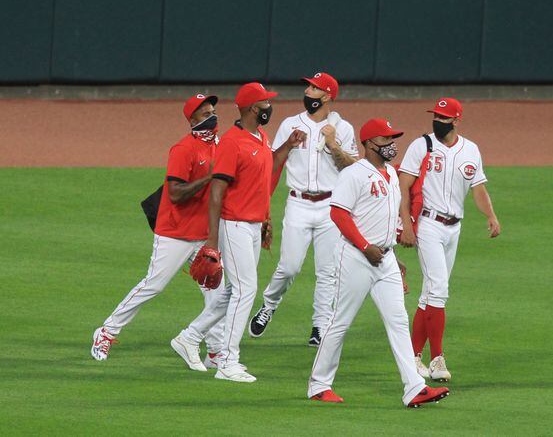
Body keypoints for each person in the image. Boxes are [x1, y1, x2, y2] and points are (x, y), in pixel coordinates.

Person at [308, 118, 449, 408]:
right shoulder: (354, 174)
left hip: (384, 259)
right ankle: (319, 385)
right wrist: (364, 246)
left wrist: (393, 258)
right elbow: (338, 214)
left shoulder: (391, 175)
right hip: (356, 257)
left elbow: (385, 221)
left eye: (392, 139)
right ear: (370, 143)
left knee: (398, 320)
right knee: (340, 322)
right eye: (385, 140)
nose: (391, 145)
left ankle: (414, 388)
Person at [171, 82, 302, 382]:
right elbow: (217, 192)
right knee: (246, 290)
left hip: (253, 225)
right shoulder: (232, 142)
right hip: (234, 225)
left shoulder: (259, 137)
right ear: (253, 109)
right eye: (265, 104)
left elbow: (262, 179)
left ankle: (189, 338)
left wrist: (266, 219)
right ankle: (227, 361)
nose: (269, 108)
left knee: (233, 291)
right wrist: (212, 242)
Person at [91, 94, 224, 366]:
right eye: (204, 113)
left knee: (216, 291)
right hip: (174, 232)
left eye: (213, 111)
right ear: (192, 120)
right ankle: (106, 331)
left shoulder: (220, 146)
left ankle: (214, 351)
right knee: (154, 285)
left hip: (203, 233)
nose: (212, 117)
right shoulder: (183, 149)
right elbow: (175, 194)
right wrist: (209, 176)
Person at [249, 72, 358, 347]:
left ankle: (319, 326)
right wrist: (288, 144)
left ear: (328, 96)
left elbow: (353, 168)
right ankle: (269, 305)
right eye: (308, 87)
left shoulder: (342, 128)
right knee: (288, 267)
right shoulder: (290, 124)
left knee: (328, 271)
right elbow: (271, 166)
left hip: (330, 205)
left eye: (314, 88)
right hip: (297, 203)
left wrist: (333, 144)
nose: (308, 92)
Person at [397, 98, 500, 382]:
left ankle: (414, 356)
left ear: (456, 121)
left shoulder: (471, 150)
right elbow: (403, 186)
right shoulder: (422, 146)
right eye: (436, 116)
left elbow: (478, 188)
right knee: (439, 289)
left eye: (444, 117)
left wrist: (491, 216)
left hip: (454, 228)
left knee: (430, 293)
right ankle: (437, 358)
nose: (438, 121)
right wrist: (406, 225)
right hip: (428, 224)